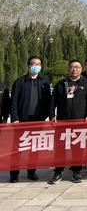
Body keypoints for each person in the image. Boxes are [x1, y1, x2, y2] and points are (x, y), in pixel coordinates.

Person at [49, 59, 87, 184]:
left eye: (77, 67)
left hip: (79, 122)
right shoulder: (61, 84)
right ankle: (58, 172)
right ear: (68, 69)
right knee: (60, 148)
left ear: (81, 69)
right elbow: (53, 101)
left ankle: (76, 172)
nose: (75, 69)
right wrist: (52, 115)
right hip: (63, 123)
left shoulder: (86, 83)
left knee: (77, 148)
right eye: (72, 67)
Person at [9, 55, 51, 183]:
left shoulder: (44, 81)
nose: (36, 66)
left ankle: (31, 171)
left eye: (38, 64)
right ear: (28, 66)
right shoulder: (20, 82)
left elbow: (48, 100)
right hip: (22, 119)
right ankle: (14, 174)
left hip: (38, 119)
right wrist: (15, 118)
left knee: (34, 147)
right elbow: (14, 102)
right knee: (18, 148)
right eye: (33, 64)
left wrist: (46, 116)